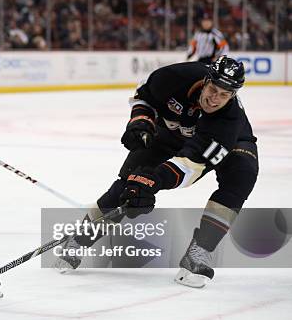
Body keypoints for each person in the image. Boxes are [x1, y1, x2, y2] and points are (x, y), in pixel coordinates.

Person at [57, 56, 258, 288]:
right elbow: (145, 96)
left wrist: (155, 181)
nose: (215, 99)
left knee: (242, 174)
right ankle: (79, 239)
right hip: (171, 132)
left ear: (233, 95)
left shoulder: (228, 121)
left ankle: (198, 254)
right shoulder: (176, 77)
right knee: (129, 184)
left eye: (225, 95)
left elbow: (191, 165)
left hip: (230, 142)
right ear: (205, 80)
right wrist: (141, 122)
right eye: (213, 89)